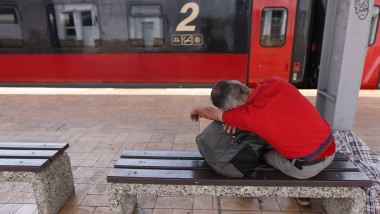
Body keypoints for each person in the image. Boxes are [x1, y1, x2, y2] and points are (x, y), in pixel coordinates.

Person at [190, 76, 336, 206]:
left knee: (261, 149)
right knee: (282, 134)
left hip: (307, 168)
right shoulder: (275, 82)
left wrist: (196, 110)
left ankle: (299, 190)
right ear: (240, 84)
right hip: (330, 146)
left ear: (233, 108)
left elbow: (210, 112)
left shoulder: (248, 117)